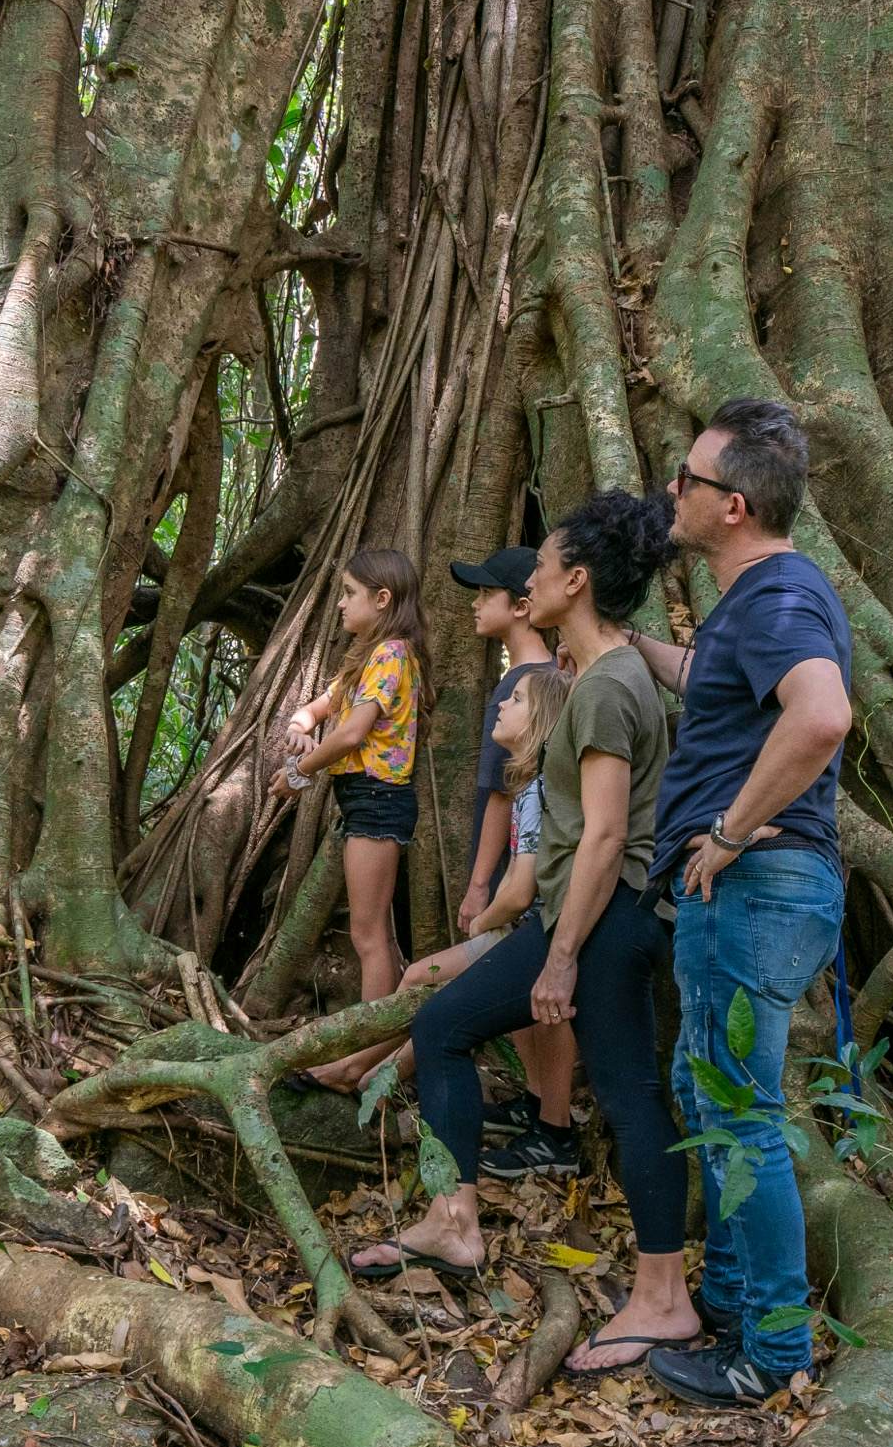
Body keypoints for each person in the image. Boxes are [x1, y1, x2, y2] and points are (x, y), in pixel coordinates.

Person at [347, 491, 696, 1377]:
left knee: (486, 1040)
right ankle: (462, 1221)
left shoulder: (611, 685)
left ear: (574, 582)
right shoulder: (597, 677)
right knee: (602, 1083)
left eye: (540, 569)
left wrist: (564, 952)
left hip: (605, 916)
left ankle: (657, 1296)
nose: (530, 580)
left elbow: (607, 834)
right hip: (598, 913)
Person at [624, 397, 852, 1409]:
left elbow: (821, 717)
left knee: (739, 1114)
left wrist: (724, 831)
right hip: (750, 890)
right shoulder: (750, 606)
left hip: (753, 883)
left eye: (688, 480)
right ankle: (731, 1298)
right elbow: (710, 682)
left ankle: (772, 1349)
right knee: (707, 1090)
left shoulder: (776, 598)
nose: (672, 491)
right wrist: (627, 645)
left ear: (735, 504)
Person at [291, 668, 578, 1184]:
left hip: (526, 936)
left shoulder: (537, 793)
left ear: (539, 724)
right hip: (515, 931)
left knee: (436, 1003)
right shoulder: (526, 788)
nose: (501, 706)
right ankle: (366, 1072)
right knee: (420, 975)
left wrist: (483, 921)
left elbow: (519, 892)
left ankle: (363, 1075)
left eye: (514, 700)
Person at [448, 548, 579, 1172]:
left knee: (541, 996)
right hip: (516, 866)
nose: (475, 604)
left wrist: (480, 885)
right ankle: (537, 1105)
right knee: (532, 995)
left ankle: (553, 1122)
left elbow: (506, 791)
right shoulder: (528, 678)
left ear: (522, 605)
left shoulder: (529, 686)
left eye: (484, 594)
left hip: (519, 872)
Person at [271, 549, 431, 1005]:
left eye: (348, 593)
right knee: (376, 932)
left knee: (368, 935)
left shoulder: (391, 654)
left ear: (382, 599)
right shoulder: (367, 660)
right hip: (365, 798)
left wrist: (297, 773)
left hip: (378, 799)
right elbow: (316, 709)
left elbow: (351, 734)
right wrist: (299, 729)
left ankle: (363, 1048)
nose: (340, 604)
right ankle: (372, 1043)